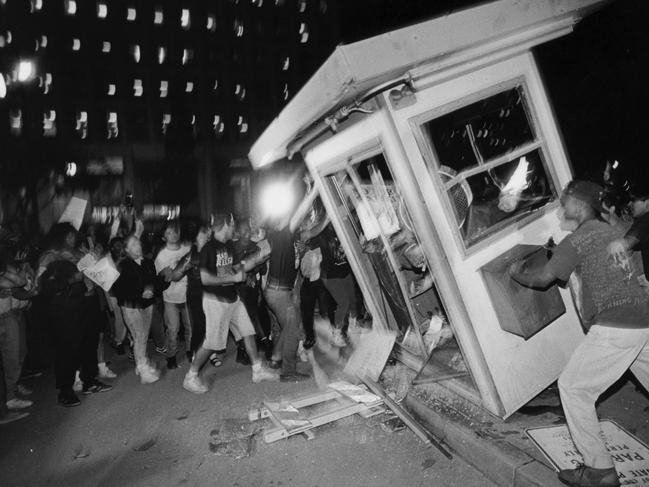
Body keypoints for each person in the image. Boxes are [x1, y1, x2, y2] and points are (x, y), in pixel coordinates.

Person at [509, 180, 649, 487]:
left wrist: (517, 273)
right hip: (644, 319)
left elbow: (545, 278)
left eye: (564, 204)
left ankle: (599, 472)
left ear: (580, 206)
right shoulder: (616, 229)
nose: (560, 211)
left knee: (573, 387)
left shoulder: (579, 238)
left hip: (616, 324)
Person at [182, 213, 278, 394]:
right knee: (212, 343)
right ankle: (191, 376)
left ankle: (257, 370)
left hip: (233, 299)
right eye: (232, 224)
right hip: (216, 301)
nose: (234, 227)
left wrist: (257, 259)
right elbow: (205, 279)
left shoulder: (228, 246)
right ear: (226, 224)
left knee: (248, 331)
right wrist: (233, 277)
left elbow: (236, 268)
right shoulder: (208, 249)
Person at [38, 223, 113, 407]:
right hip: (65, 307)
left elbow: (93, 270)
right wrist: (71, 279)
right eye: (70, 235)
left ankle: (89, 381)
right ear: (62, 236)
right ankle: (65, 390)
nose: (74, 238)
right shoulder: (50, 255)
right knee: (68, 348)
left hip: (87, 302)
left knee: (90, 343)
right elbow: (42, 284)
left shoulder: (78, 252)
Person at [111, 234, 160, 384]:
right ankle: (143, 369)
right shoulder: (123, 265)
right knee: (138, 335)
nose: (137, 246)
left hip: (147, 304)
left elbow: (153, 280)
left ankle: (142, 362)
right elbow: (118, 289)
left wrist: (151, 288)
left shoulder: (147, 262)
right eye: (132, 245)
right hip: (131, 306)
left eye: (137, 243)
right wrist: (140, 292)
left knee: (144, 335)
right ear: (126, 249)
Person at [155, 221, 192, 370]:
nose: (174, 234)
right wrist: (182, 267)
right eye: (169, 232)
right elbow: (168, 277)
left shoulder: (188, 249)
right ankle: (171, 355)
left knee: (190, 327)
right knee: (173, 329)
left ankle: (190, 351)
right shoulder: (161, 256)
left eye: (175, 231)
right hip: (171, 298)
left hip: (188, 295)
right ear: (164, 237)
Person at [607, 183, 649, 279]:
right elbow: (631, 249)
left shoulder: (646, 219)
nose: (629, 204)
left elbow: (623, 246)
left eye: (634, 200)